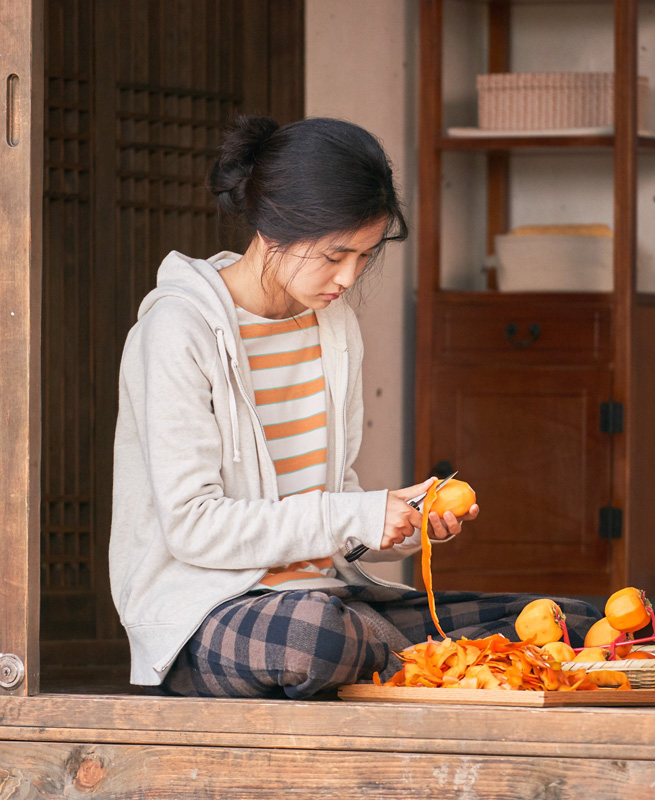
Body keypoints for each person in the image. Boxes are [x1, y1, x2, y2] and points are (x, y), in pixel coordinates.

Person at [109, 114, 600, 699]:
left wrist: (402, 523)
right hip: (208, 614)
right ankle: (423, 657)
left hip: (326, 598)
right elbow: (193, 527)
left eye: (365, 255)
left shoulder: (331, 325)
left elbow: (334, 516)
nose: (349, 276)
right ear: (272, 228)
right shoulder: (176, 329)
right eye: (335, 255)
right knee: (318, 640)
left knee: (573, 621)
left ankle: (409, 656)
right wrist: (360, 513)